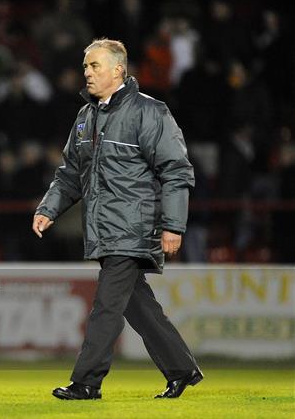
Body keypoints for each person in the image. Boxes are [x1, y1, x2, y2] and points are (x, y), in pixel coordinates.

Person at [32, 39, 202, 400]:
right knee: (136, 305)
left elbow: (176, 170)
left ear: (118, 70)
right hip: (104, 228)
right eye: (85, 66)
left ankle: (87, 382)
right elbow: (69, 174)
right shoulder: (86, 117)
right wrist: (48, 208)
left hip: (134, 226)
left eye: (94, 66)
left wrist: (174, 225)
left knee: (107, 305)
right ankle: (182, 369)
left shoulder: (150, 112)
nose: (87, 73)